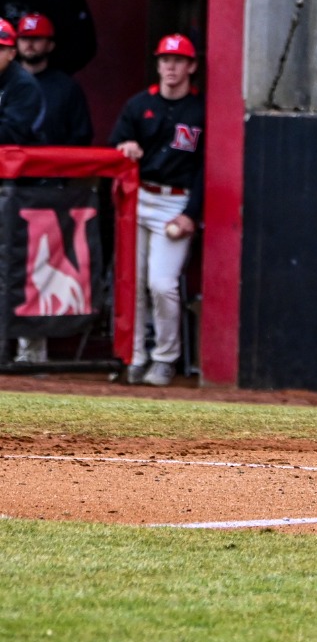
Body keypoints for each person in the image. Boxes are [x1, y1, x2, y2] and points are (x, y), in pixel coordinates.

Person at [109, 34, 204, 387]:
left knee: (161, 284)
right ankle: (133, 357)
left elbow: (206, 168)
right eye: (165, 60)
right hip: (139, 198)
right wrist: (125, 147)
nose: (171, 67)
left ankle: (165, 358)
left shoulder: (200, 110)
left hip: (175, 202)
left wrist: (190, 213)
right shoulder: (139, 105)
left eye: (178, 61)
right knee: (132, 283)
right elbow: (114, 145)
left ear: (191, 66)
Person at [15, 14, 92, 147]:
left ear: (50, 45)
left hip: (53, 159)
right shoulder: (5, 82)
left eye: (36, 38)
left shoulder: (67, 86)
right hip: (9, 159)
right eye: (24, 38)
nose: (29, 44)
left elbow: (81, 135)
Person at [0, 18, 46, 146]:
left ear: (12, 54)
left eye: (0, 49)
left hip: (20, 155)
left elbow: (10, 133)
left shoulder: (24, 85)